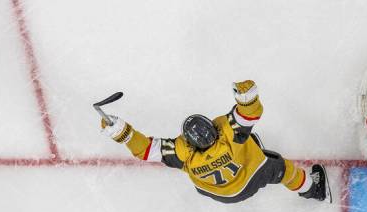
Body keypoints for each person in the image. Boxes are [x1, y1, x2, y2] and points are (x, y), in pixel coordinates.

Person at [99, 80, 330, 204]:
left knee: (249, 145)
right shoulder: (228, 134)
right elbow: (249, 114)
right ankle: (313, 190)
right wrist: (247, 99)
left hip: (219, 194)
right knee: (281, 167)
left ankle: (258, 155)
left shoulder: (182, 153)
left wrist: (122, 133)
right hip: (248, 176)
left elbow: (147, 150)